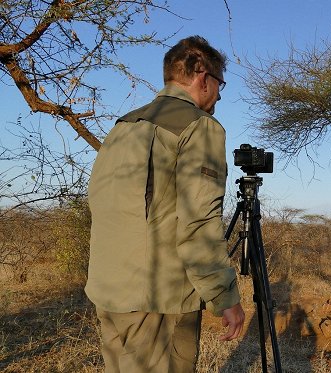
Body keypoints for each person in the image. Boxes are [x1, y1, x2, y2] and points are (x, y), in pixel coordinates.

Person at [85, 36, 245, 372]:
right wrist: (224, 296)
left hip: (109, 289)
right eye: (220, 84)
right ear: (203, 77)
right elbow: (199, 222)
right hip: (158, 298)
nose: (219, 94)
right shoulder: (200, 126)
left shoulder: (124, 125)